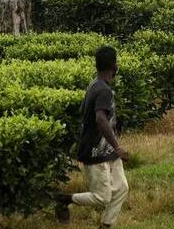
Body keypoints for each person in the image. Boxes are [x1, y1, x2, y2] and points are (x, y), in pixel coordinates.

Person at [55, 46, 130, 228]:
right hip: (95, 151)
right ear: (114, 66)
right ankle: (64, 200)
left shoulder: (94, 84)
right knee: (102, 198)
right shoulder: (103, 90)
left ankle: (105, 225)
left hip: (108, 150)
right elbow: (100, 119)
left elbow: (85, 112)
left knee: (121, 189)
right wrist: (118, 146)